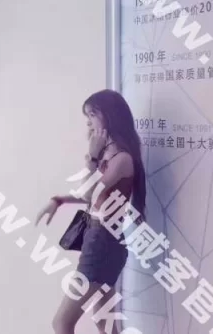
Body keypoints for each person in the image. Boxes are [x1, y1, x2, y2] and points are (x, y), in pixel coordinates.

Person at [35, 89, 147, 334]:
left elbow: (89, 194)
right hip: (101, 240)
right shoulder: (111, 154)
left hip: (103, 243)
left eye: (93, 114)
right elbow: (91, 195)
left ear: (110, 116)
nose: (88, 122)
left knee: (62, 322)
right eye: (87, 116)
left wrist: (93, 158)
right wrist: (59, 200)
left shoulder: (122, 159)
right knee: (105, 323)